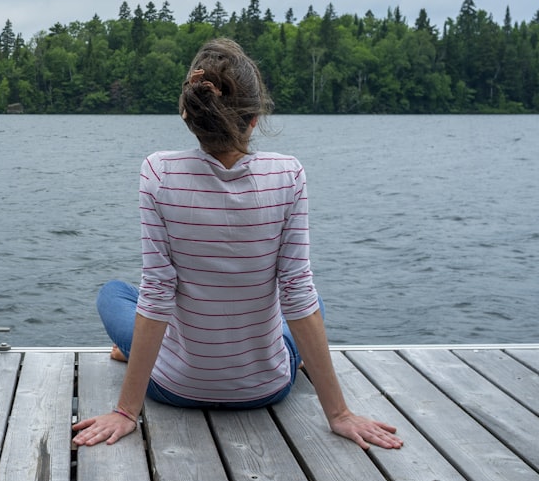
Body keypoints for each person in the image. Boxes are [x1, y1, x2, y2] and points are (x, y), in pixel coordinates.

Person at [71, 38, 403, 451]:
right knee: (299, 298)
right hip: (266, 389)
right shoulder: (288, 174)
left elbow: (157, 294)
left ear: (188, 113)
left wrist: (125, 412)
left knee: (114, 293)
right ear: (255, 117)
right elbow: (298, 292)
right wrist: (338, 414)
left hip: (176, 387)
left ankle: (134, 350)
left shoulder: (158, 172)